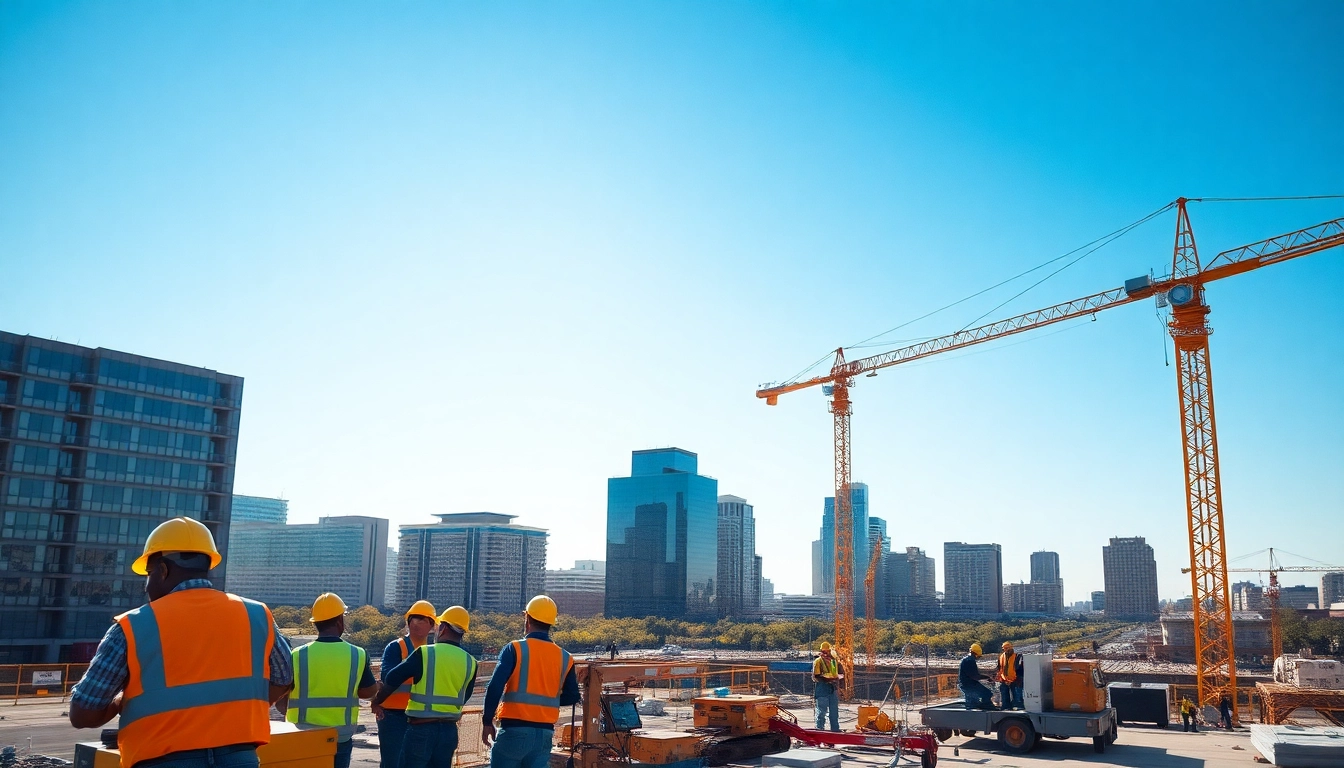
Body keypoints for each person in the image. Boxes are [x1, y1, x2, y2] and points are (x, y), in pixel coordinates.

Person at [68, 517, 294, 768]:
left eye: (149, 573)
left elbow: (83, 712)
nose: (147, 584)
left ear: (163, 569)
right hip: (240, 758)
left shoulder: (133, 626)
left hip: (161, 760)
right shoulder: (256, 614)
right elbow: (284, 678)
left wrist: (124, 701)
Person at [278, 593, 378, 768]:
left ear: (315, 623)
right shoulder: (357, 654)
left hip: (301, 735)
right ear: (340, 620)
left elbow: (280, 699)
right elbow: (368, 692)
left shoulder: (297, 655)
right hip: (339, 737)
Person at [372, 607, 478, 768]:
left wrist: (377, 700)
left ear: (442, 628)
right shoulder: (471, 661)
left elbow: (392, 677)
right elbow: (465, 695)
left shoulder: (425, 653)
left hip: (422, 728)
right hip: (449, 732)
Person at [481, 596, 580, 768]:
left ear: (527, 619)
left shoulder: (515, 649)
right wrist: (549, 699)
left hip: (514, 731)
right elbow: (572, 696)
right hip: (544, 736)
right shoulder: (565, 657)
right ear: (551, 624)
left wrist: (487, 721)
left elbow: (495, 686)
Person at [378, 601, 439, 768]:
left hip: (420, 715)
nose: (416, 623)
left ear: (432, 625)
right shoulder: (396, 647)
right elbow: (387, 676)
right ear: (408, 622)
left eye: (422, 619)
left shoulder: (433, 651)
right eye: (414, 619)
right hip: (393, 715)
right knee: (393, 763)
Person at [811, 642, 842, 731]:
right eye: (824, 651)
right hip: (822, 688)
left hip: (831, 688)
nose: (826, 653)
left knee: (834, 712)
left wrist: (836, 678)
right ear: (821, 651)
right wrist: (827, 678)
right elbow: (816, 675)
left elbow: (835, 674)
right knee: (821, 711)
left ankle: (835, 729)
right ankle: (819, 729)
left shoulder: (833, 661)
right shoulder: (818, 661)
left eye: (827, 651)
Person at [959, 643, 996, 711]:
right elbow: (975, 676)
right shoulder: (970, 661)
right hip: (969, 685)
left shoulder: (966, 659)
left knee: (972, 701)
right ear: (975, 654)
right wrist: (987, 677)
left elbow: (974, 675)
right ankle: (987, 708)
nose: (978, 658)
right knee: (987, 693)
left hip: (966, 684)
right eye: (978, 656)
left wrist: (985, 677)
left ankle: (975, 709)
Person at [995, 641, 1024, 711]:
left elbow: (1020, 670)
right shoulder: (1001, 657)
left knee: (1017, 698)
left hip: (1015, 680)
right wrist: (1000, 678)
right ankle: (1006, 708)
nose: (1006, 650)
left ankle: (1019, 708)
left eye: (1008, 648)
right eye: (1005, 649)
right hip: (1004, 680)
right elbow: (999, 668)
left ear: (1011, 648)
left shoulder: (1017, 657)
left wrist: (1017, 679)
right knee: (1005, 698)